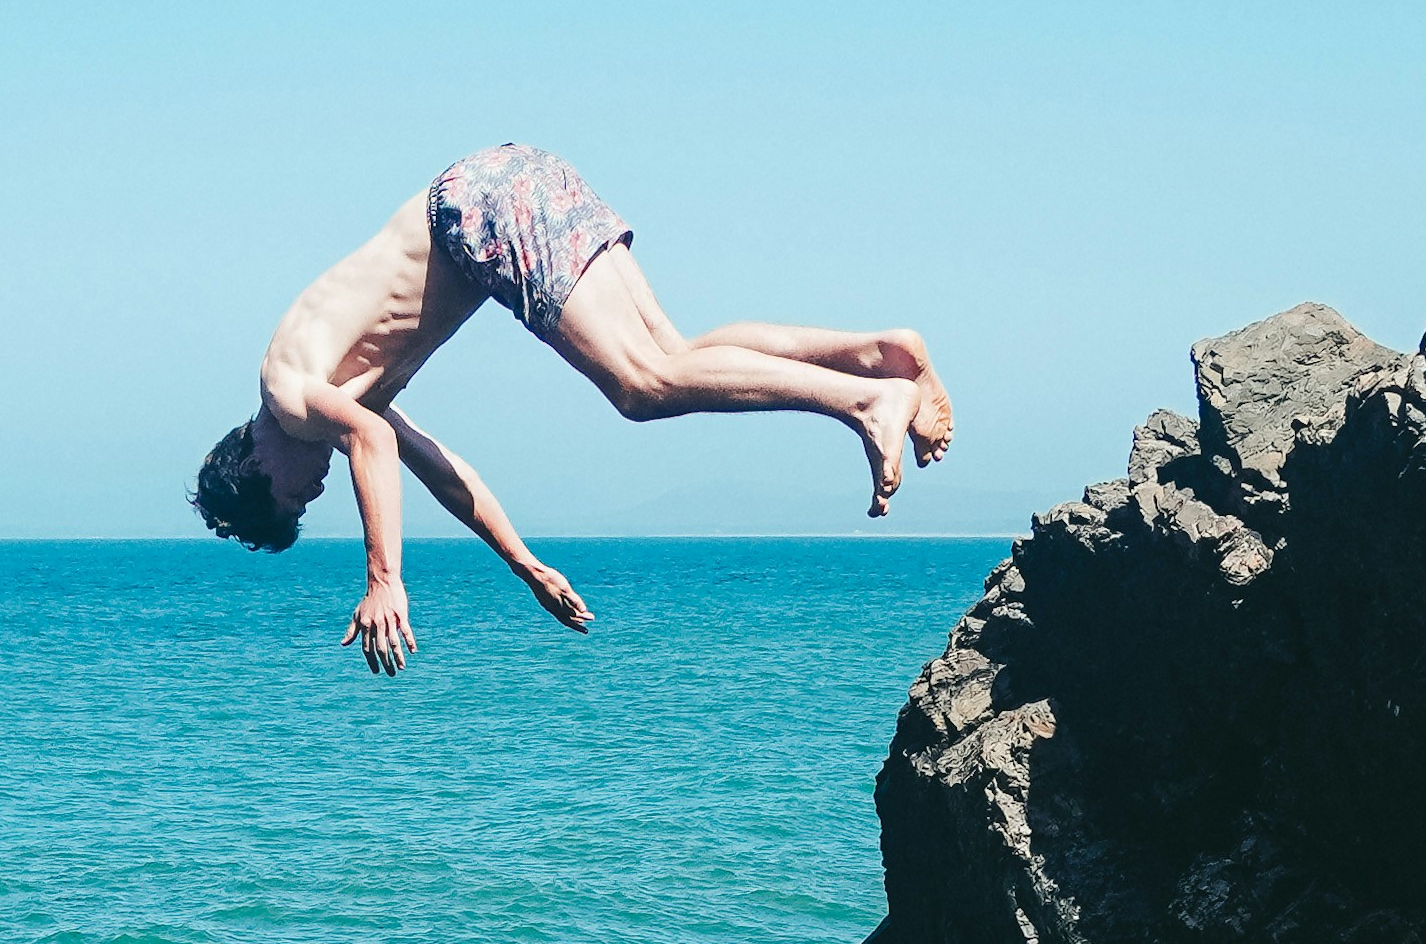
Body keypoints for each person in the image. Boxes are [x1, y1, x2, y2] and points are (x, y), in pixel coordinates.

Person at [191, 143, 954, 676]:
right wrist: (523, 565)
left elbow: (371, 447)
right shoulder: (332, 385)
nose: (314, 488)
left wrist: (383, 576)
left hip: (478, 211)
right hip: (503, 182)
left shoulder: (288, 395)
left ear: (254, 465)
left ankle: (864, 401)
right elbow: (437, 471)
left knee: (640, 388)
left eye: (297, 494)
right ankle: (876, 355)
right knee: (673, 354)